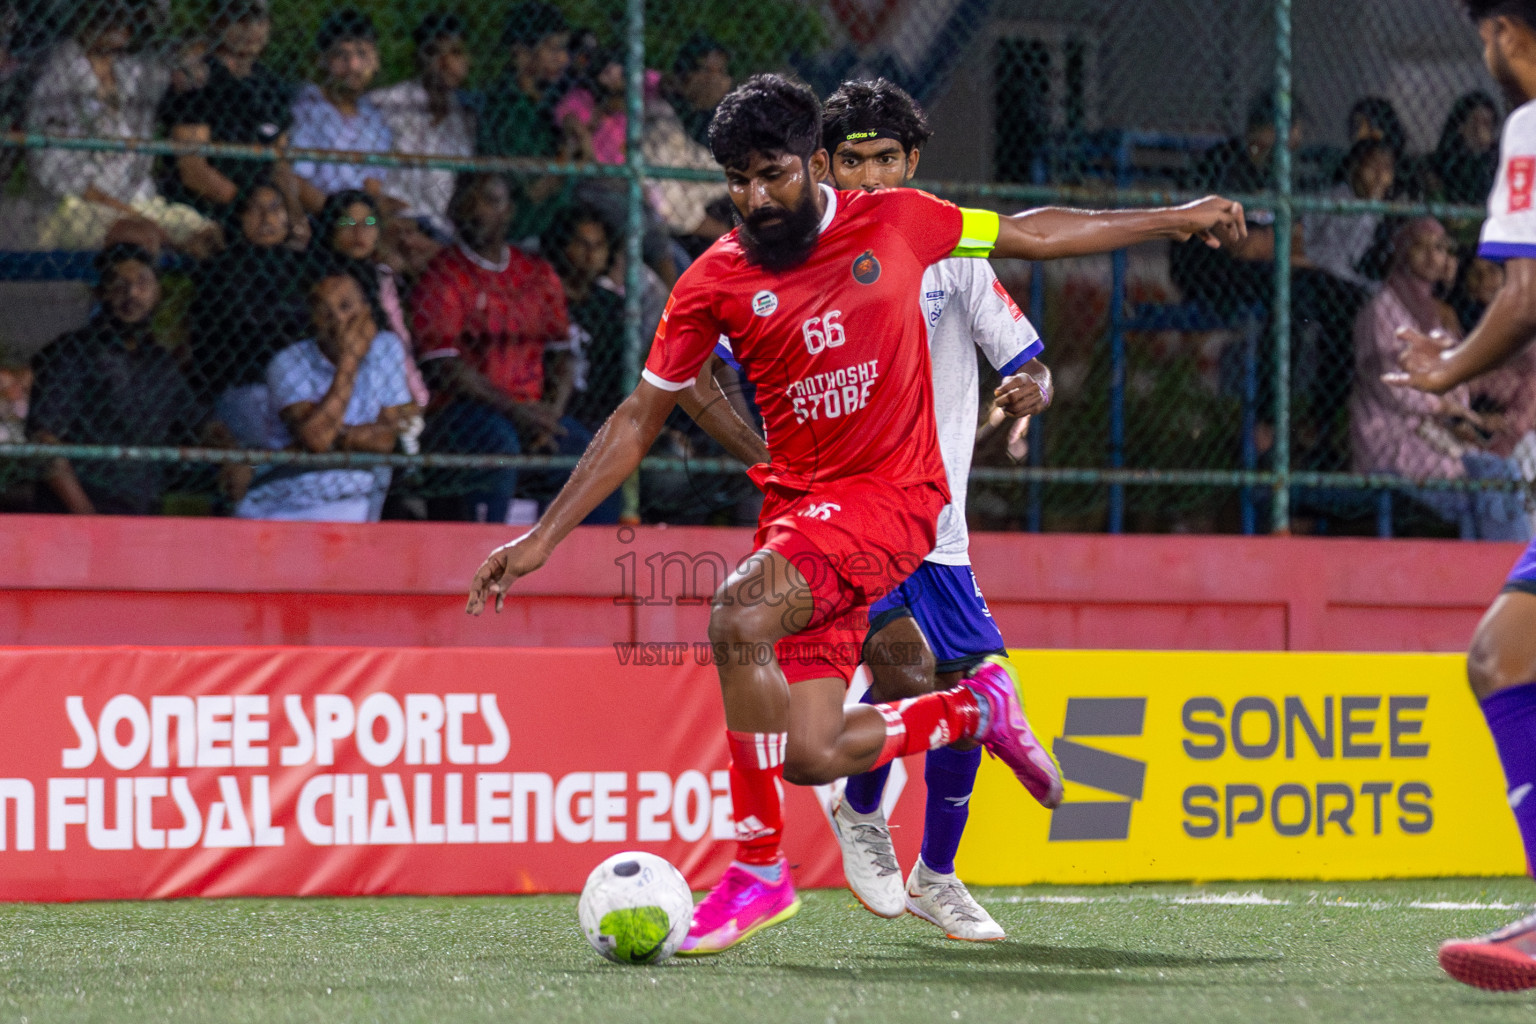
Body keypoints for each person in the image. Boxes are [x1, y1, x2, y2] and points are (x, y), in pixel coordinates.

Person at [464, 73, 1246, 955]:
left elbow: (1035, 232)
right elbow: (640, 415)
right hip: (800, 508)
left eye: (773, 173)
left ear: (813, 164)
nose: (756, 197)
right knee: (812, 751)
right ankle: (971, 712)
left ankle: (759, 871)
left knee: (737, 613)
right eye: (737, 180)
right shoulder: (713, 281)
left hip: (896, 495)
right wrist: (542, 537)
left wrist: (1175, 218)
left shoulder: (902, 222)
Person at [803, 77, 1055, 940]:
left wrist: (1028, 390)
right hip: (847, 514)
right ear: (825, 168)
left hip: (940, 530)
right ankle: (865, 812)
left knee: (974, 696)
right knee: (909, 671)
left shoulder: (954, 253)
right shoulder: (803, 253)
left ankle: (936, 872)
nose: (870, 177)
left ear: (912, 163)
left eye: (885, 159)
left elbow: (1027, 359)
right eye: (852, 161)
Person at [1391, 0, 1536, 990]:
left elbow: (1526, 297)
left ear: (1506, 33)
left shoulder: (1531, 124)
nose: (1483, 51)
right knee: (1499, 656)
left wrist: (1447, 373)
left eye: (1482, 30)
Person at [412, 172, 614, 523]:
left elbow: (563, 354)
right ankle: (482, 563)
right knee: (498, 444)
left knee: (596, 456)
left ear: (509, 211)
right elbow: (444, 365)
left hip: (533, 412)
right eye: (469, 200)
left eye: (491, 201)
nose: (478, 210)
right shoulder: (442, 274)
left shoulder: (535, 273)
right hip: (465, 412)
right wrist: (518, 413)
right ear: (454, 210)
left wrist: (549, 416)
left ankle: (580, 572)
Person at [28, 244, 216, 515]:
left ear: (158, 293)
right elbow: (44, 440)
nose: (131, 294)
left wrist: (232, 455)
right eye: (119, 284)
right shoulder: (74, 352)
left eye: (142, 283)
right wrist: (86, 515)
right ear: (101, 293)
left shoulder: (160, 363)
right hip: (79, 515)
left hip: (139, 513)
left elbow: (199, 422)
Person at [25, 0, 213, 250]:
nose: (115, 21)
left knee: (209, 234)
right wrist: (133, 216)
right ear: (82, 16)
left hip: (138, 201)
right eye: (103, 11)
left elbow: (185, 63)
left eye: (124, 13)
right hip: (73, 207)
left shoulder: (131, 69)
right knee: (140, 235)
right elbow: (57, 170)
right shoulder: (57, 72)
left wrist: (188, 69)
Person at [236, 273, 416, 522]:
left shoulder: (386, 347)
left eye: (345, 307)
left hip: (355, 499)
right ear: (312, 319)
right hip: (285, 501)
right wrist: (349, 361)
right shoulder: (288, 362)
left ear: (366, 312)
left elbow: (385, 439)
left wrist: (333, 433)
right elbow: (317, 440)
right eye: (324, 311)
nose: (338, 320)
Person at [188, 180, 313, 447]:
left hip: (300, 385)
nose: (267, 218)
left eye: (275, 208)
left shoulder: (302, 266)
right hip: (244, 383)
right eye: (255, 210)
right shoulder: (222, 268)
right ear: (240, 217)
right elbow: (248, 322)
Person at [162, 0, 307, 227]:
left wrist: (295, 215)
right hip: (206, 211)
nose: (250, 29)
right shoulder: (197, 79)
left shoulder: (271, 85)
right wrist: (248, 209)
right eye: (238, 20)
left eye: (258, 20)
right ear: (216, 24)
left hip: (266, 215)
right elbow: (193, 170)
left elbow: (280, 166)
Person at [313, 189, 428, 406]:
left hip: (388, 382)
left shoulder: (382, 278)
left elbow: (399, 337)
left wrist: (415, 394)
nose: (359, 232)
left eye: (369, 222)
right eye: (348, 222)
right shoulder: (321, 281)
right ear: (331, 228)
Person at [366, 12, 474, 239]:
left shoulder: (466, 120)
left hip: (441, 231)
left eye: (455, 53)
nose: (446, 64)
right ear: (419, 58)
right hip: (387, 221)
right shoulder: (386, 103)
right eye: (435, 52)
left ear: (467, 61)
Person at [477, 2, 573, 243]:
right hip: (523, 231)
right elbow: (534, 190)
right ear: (521, 52)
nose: (562, 58)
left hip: (556, 226)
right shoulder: (506, 106)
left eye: (564, 49)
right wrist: (570, 151)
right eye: (552, 49)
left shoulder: (553, 99)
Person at [289, 8, 393, 210]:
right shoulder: (307, 106)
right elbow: (296, 180)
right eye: (340, 55)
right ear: (322, 60)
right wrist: (340, 219)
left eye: (362, 54)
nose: (353, 66)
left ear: (376, 61)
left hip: (363, 221)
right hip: (320, 218)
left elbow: (372, 185)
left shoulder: (374, 117)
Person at [539, 204, 624, 432]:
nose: (590, 254)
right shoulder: (541, 296)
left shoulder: (611, 306)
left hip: (598, 413)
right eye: (581, 244)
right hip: (551, 410)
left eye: (598, 246)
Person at [1304, 139, 1395, 292]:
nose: (1380, 175)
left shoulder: (1383, 211)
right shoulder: (1334, 200)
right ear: (1356, 167)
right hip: (1324, 278)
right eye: (1373, 166)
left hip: (1356, 283)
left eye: (1386, 168)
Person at [1424, 90, 1502, 206]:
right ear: (1461, 125)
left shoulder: (1495, 162)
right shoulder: (1443, 160)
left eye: (1486, 124)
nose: (1480, 132)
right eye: (1475, 122)